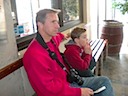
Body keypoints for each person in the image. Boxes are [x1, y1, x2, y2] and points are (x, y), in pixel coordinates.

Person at [23, 8, 115, 96]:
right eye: (53, 22)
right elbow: (48, 90)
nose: (58, 26)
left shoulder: (51, 39)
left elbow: (59, 36)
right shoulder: (33, 55)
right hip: (60, 91)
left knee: (104, 82)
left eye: (57, 22)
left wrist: (65, 36)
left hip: (68, 80)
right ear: (40, 25)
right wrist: (79, 92)